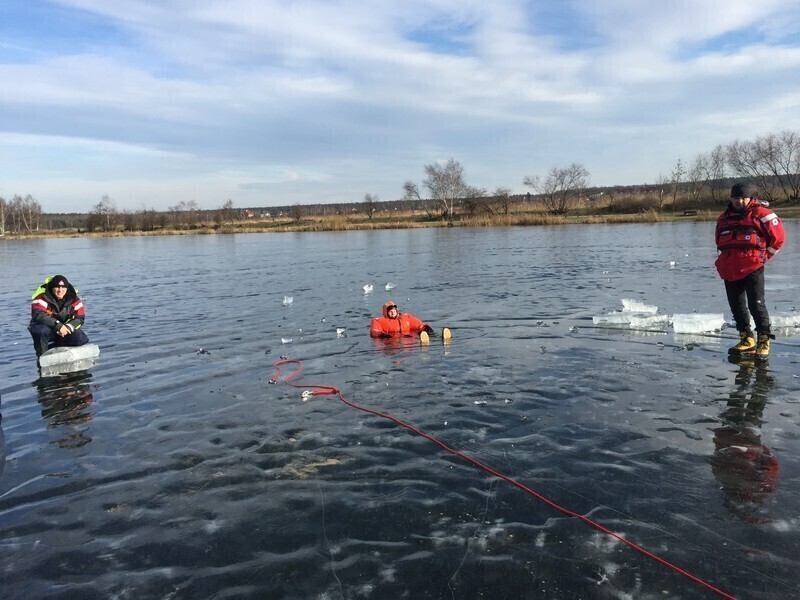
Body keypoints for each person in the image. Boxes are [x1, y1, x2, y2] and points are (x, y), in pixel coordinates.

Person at [715, 182, 785, 358]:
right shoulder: (723, 219)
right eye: (735, 198)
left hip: (753, 267)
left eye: (743, 198)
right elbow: (719, 241)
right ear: (730, 198)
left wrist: (764, 257)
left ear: (750, 198)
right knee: (736, 305)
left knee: (756, 304)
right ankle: (747, 339)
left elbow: (778, 239)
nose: (739, 201)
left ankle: (764, 339)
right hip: (730, 268)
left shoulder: (762, 214)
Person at [29, 275, 90, 360]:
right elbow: (38, 314)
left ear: (67, 288)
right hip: (46, 328)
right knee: (40, 331)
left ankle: (57, 348)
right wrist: (58, 326)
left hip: (64, 329)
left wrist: (68, 327)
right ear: (52, 287)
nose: (60, 290)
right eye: (57, 287)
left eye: (63, 287)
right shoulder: (41, 298)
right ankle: (42, 357)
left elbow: (80, 317)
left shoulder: (74, 299)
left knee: (81, 338)